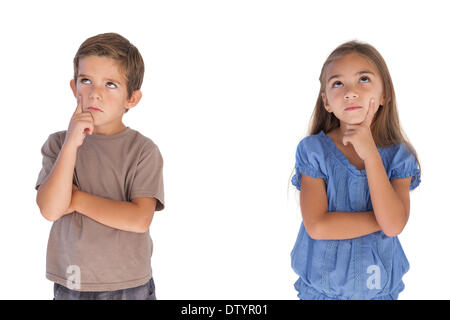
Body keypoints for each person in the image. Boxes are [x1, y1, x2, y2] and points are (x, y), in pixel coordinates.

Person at [35, 33, 164, 300]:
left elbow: (139, 219)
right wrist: (72, 142)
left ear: (132, 99)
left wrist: (76, 198)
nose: (95, 94)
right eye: (86, 81)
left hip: (129, 284)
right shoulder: (58, 144)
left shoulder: (142, 150)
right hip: (72, 281)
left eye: (111, 84)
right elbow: (50, 209)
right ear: (74, 87)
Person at [290, 40, 421, 300]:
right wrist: (381, 221)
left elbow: (393, 225)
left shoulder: (398, 157)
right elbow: (317, 226)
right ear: (326, 102)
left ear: (384, 94)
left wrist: (370, 154)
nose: (350, 92)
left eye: (363, 79)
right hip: (320, 292)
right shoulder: (314, 152)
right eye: (338, 83)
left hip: (380, 293)